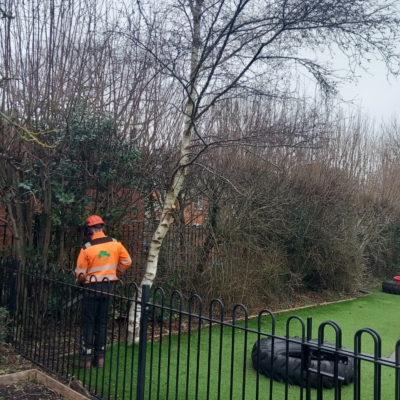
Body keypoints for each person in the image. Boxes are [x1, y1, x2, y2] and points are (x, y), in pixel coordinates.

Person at [74, 215, 132, 369]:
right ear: (102, 227)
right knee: (102, 322)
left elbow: (80, 273)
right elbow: (127, 261)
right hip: (108, 288)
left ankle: (86, 359)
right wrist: (116, 273)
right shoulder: (115, 243)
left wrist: (81, 283)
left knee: (88, 323)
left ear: (89, 229)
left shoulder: (87, 248)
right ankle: (100, 358)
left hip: (91, 288)